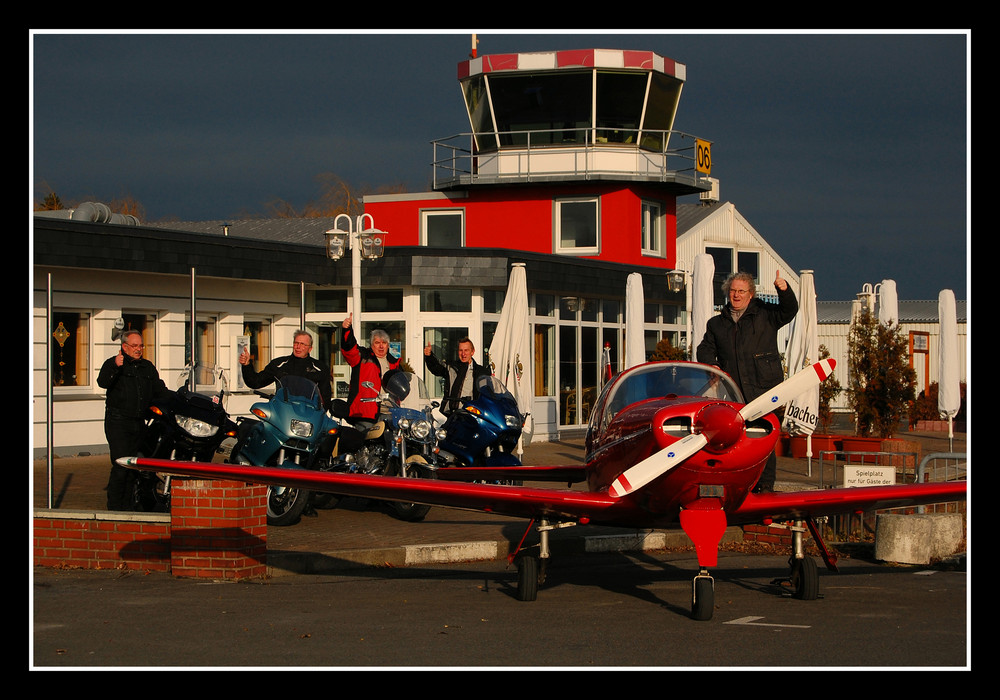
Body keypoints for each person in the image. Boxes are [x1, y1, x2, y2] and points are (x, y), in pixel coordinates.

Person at [697, 270, 798, 492]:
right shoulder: (717, 324)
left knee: (763, 436)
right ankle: (739, 484)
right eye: (733, 290)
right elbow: (704, 348)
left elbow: (789, 310)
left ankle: (765, 485)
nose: (736, 295)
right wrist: (711, 364)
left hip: (765, 388)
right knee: (736, 439)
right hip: (733, 391)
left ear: (750, 294)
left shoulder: (765, 313)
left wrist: (784, 290)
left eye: (741, 291)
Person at [97, 330, 169, 511]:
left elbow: (160, 391)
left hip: (139, 423)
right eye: (135, 346)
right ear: (125, 347)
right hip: (118, 422)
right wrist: (115, 365)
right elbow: (102, 382)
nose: (139, 350)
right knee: (121, 465)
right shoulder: (115, 364)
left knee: (136, 467)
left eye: (141, 346)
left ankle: (130, 506)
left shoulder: (147, 367)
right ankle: (114, 509)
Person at [238, 330, 332, 411]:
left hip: (308, 415)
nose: (298, 347)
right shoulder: (279, 364)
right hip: (282, 414)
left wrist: (319, 414)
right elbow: (255, 382)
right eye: (296, 343)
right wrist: (247, 365)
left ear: (310, 348)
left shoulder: (320, 368)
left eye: (302, 344)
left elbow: (325, 399)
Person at [340, 313, 401, 423]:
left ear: (388, 345)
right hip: (365, 413)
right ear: (371, 344)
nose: (381, 346)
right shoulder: (362, 356)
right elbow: (349, 349)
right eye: (377, 343)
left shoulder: (394, 363)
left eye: (384, 343)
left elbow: (402, 387)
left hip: (391, 412)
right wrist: (347, 330)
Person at [424, 336, 491, 413]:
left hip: (473, 413)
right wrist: (429, 356)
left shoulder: (481, 371)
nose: (463, 354)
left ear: (472, 352)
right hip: (453, 413)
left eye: (466, 350)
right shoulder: (452, 367)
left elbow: (487, 393)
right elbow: (436, 368)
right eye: (460, 350)